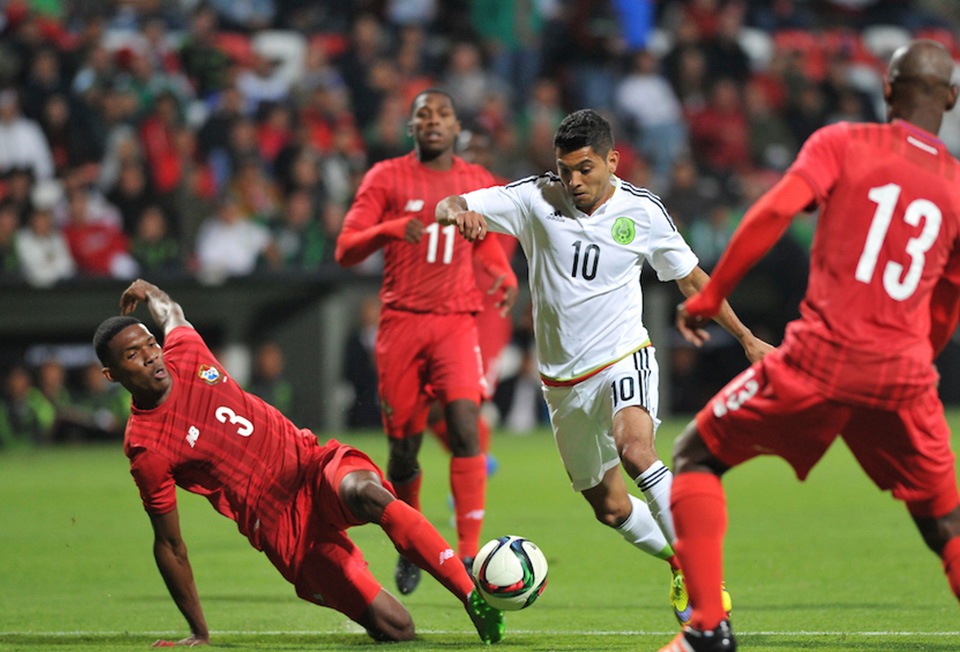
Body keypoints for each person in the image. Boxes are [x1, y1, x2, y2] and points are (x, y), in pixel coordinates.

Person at [664, 41, 960, 652]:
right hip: (902, 377)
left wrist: (710, 292)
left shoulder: (843, 143)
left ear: (887, 88)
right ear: (952, 99)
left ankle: (706, 630)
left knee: (695, 456)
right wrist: (915, 363)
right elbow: (948, 305)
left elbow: (774, 211)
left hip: (819, 360)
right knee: (949, 526)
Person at [436, 108, 771, 624]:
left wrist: (747, 339)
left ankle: (706, 586)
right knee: (610, 508)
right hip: (561, 384)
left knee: (637, 451)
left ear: (613, 161)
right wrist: (459, 213)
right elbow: (447, 202)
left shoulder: (644, 213)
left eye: (586, 168)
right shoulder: (534, 198)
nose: (574, 181)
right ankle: (679, 561)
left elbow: (691, 278)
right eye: (565, 169)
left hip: (623, 358)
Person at [93, 279, 503, 646]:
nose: (151, 356)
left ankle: (471, 595)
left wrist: (151, 293)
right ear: (112, 375)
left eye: (150, 343)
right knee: (397, 628)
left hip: (310, 465)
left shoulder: (185, 350)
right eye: (133, 355)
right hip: (283, 529)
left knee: (364, 492)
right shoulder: (147, 447)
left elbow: (172, 314)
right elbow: (169, 544)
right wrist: (199, 631)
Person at [335, 88, 517, 595]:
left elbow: (483, 243)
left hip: (457, 322)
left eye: (443, 114)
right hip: (402, 325)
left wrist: (503, 273)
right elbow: (346, 248)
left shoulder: (475, 181)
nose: (434, 121)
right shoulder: (385, 177)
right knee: (404, 454)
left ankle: (466, 554)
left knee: (465, 426)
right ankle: (412, 542)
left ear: (457, 127)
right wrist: (393, 228)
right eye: (424, 114)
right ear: (410, 127)